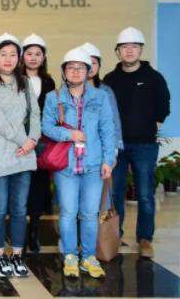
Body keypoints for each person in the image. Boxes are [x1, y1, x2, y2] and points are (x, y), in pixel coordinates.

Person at [42, 47, 115, 278]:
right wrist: (69, 135)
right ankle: (70, 256)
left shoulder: (100, 97)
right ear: (64, 71)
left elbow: (108, 130)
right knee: (68, 212)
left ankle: (89, 257)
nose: (75, 71)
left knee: (90, 213)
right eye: (71, 67)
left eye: (80, 68)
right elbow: (46, 127)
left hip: (93, 165)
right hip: (66, 166)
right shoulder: (54, 97)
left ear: (89, 71)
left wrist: (108, 160)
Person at [103, 26, 170, 258]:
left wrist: (153, 125)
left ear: (141, 49)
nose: (129, 50)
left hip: (145, 145)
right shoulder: (110, 79)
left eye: (134, 46)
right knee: (116, 193)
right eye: (124, 47)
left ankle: (144, 238)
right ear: (118, 51)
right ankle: (116, 236)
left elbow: (164, 106)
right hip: (117, 146)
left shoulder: (154, 78)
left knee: (145, 194)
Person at [0, 33, 40, 278]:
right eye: (3, 54)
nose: (8, 59)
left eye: (13, 54)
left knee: (19, 209)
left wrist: (33, 140)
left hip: (24, 156)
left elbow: (35, 115)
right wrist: (24, 140)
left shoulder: (25, 83)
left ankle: (17, 255)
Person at [21, 33, 56, 253]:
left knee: (38, 188)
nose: (33, 58)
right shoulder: (14, 79)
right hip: (18, 142)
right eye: (29, 53)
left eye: (38, 54)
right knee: (19, 187)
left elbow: (51, 113)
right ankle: (17, 233)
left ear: (43, 58)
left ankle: (33, 231)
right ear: (22, 56)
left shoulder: (49, 82)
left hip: (41, 143)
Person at [80, 42, 124, 153]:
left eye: (94, 63)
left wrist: (115, 147)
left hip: (100, 147)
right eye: (86, 62)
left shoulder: (106, 91)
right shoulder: (66, 90)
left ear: (99, 66)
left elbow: (114, 120)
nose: (90, 67)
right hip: (74, 145)